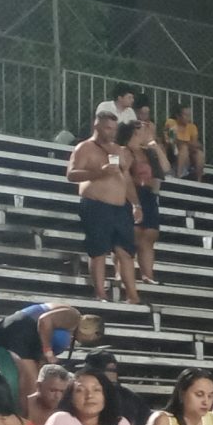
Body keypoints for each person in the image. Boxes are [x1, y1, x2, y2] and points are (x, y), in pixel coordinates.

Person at [66, 110, 141, 304]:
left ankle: (132, 295)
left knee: (125, 252)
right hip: (95, 204)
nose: (111, 132)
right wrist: (99, 172)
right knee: (98, 250)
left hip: (120, 207)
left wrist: (136, 204)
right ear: (97, 126)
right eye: (108, 128)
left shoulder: (119, 149)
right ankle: (101, 293)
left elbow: (127, 180)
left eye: (114, 129)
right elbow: (71, 174)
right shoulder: (84, 147)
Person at [117, 119, 168, 286]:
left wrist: (154, 144)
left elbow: (166, 167)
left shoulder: (149, 152)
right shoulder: (126, 151)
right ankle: (122, 272)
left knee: (149, 235)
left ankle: (148, 274)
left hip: (149, 194)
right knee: (133, 234)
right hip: (131, 193)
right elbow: (125, 177)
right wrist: (134, 203)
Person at [162, 103, 204, 180]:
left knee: (199, 154)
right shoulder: (171, 122)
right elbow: (172, 140)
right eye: (186, 115)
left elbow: (195, 144)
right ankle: (179, 176)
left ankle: (199, 180)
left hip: (188, 154)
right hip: (172, 151)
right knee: (184, 148)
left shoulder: (192, 127)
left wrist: (184, 143)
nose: (188, 117)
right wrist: (186, 144)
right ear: (178, 116)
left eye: (189, 115)